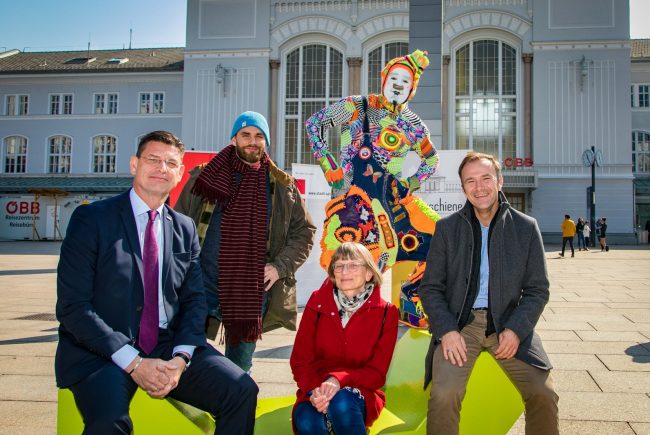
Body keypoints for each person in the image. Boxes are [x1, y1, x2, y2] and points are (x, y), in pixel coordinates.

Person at [55, 131, 258, 435]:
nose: (161, 167)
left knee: (241, 390)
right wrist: (134, 363)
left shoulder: (184, 228)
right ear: (134, 164)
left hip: (166, 345)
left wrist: (181, 358)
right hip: (103, 350)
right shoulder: (92, 219)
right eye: (153, 159)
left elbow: (194, 301)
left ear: (179, 174)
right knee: (110, 422)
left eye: (171, 163)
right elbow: (73, 307)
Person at [419, 152, 559, 435]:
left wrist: (517, 330)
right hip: (461, 326)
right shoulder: (447, 229)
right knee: (444, 395)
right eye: (470, 181)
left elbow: (537, 290)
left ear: (499, 182)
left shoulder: (525, 228)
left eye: (485, 178)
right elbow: (430, 287)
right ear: (463, 188)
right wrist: (447, 330)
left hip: (507, 324)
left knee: (543, 394)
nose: (478, 186)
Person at [305, 49, 440, 328]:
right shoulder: (357, 106)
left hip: (391, 202)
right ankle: (338, 325)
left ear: (412, 89)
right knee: (352, 268)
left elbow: (432, 160)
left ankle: (410, 296)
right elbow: (313, 123)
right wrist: (329, 162)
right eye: (395, 77)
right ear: (384, 78)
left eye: (406, 81)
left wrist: (408, 185)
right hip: (353, 204)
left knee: (444, 238)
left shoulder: (414, 125)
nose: (399, 84)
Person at [176, 111, 316, 373]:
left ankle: (234, 412)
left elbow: (305, 230)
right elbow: (176, 225)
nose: (252, 141)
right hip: (201, 286)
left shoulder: (282, 186)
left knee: (239, 369)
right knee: (186, 360)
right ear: (233, 140)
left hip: (250, 294)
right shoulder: (203, 177)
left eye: (259, 136)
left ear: (266, 142)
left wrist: (280, 267)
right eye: (245, 135)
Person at [290, 242, 399, 434]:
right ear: (333, 274)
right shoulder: (317, 303)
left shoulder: (386, 313)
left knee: (341, 403)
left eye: (353, 265)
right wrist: (317, 391)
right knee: (307, 422)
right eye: (339, 266)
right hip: (315, 391)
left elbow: (377, 374)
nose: (344, 271)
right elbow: (300, 361)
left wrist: (338, 380)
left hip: (359, 393)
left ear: (369, 273)